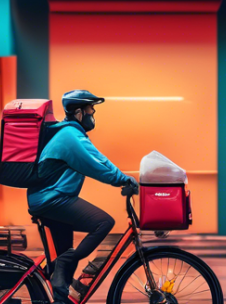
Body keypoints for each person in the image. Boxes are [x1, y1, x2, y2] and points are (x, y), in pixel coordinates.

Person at [28, 90, 138, 303]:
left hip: (51, 199)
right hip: (52, 199)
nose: (93, 114)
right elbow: (96, 167)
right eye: (90, 110)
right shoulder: (70, 137)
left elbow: (101, 159)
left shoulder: (75, 135)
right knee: (103, 222)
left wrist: (124, 178)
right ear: (78, 113)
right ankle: (63, 262)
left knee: (63, 270)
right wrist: (123, 181)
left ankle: (58, 294)